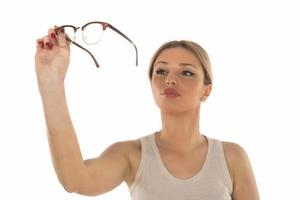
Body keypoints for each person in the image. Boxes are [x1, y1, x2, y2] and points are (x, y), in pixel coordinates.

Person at [35, 27, 260, 200]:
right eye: (161, 71)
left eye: (187, 72)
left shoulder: (231, 157)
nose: (170, 79)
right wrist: (51, 81)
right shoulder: (132, 155)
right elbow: (75, 180)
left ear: (206, 90)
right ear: (151, 83)